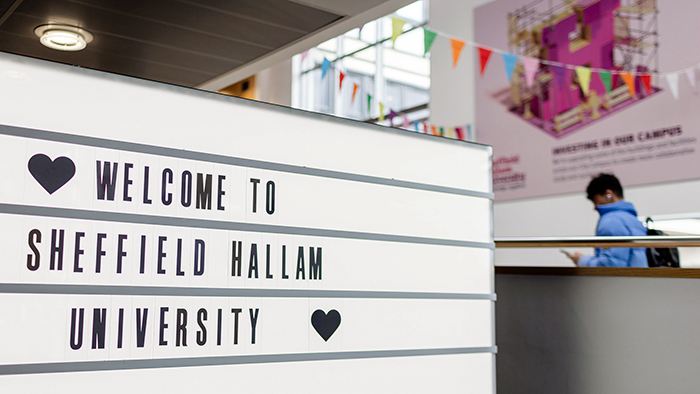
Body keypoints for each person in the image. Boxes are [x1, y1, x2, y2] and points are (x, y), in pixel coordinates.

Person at [567, 173, 648, 267]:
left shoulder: (611, 221)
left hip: (619, 281)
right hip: (638, 279)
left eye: (595, 200)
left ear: (608, 195)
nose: (595, 207)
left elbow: (610, 265)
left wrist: (582, 260)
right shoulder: (633, 220)